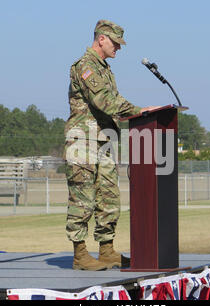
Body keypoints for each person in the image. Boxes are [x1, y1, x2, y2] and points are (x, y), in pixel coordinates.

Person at [64, 19, 161, 271]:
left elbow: (114, 99)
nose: (118, 48)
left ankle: (106, 251)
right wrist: (139, 110)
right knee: (82, 198)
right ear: (101, 39)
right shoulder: (85, 66)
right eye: (116, 43)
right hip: (83, 141)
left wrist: (139, 112)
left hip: (104, 140)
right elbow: (105, 102)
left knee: (108, 198)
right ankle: (80, 254)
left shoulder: (105, 69)